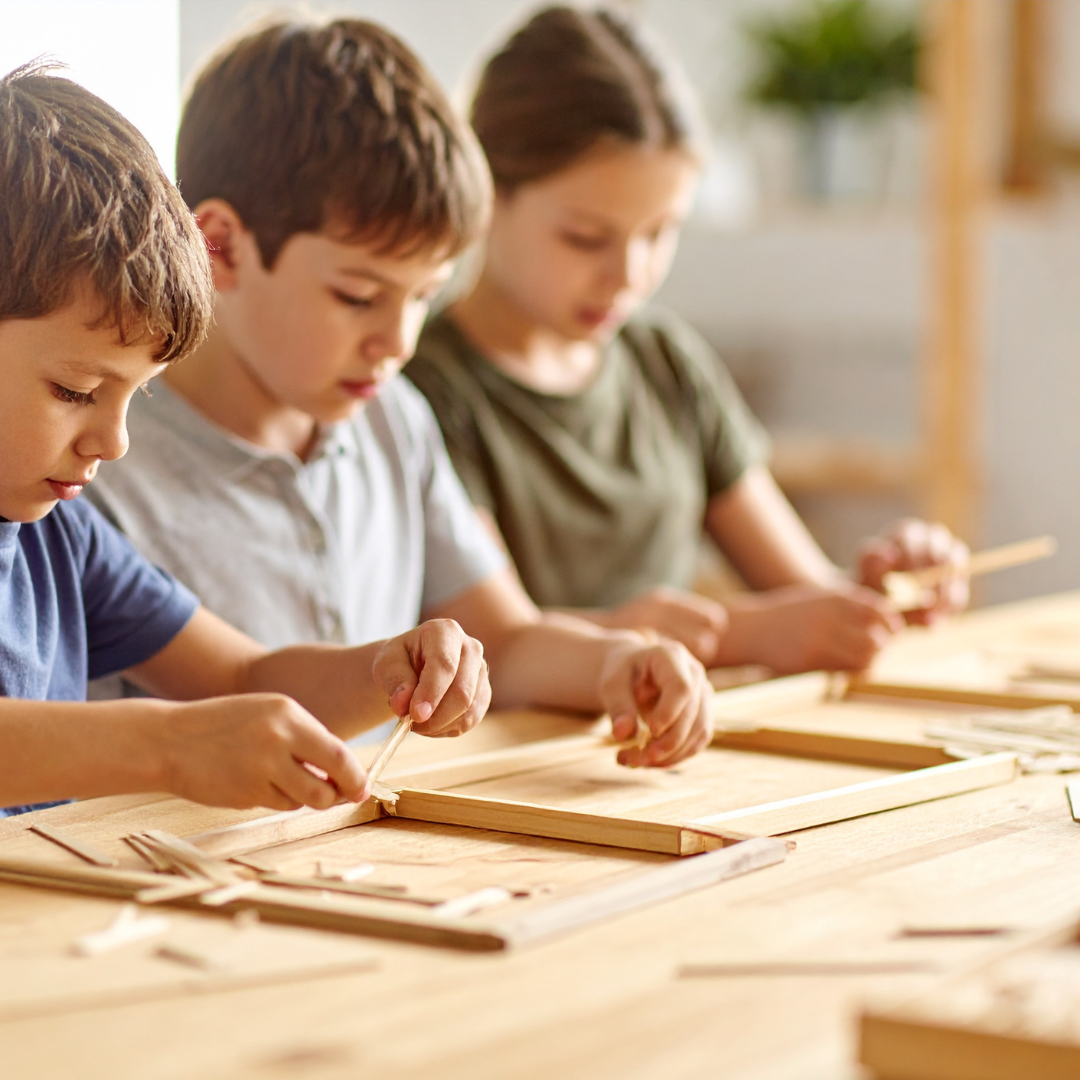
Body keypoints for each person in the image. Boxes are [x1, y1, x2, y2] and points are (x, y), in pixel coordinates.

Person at [85, 20, 713, 770]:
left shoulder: (394, 417)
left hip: (364, 859)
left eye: (422, 298)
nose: (400, 341)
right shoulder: (96, 457)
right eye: (358, 296)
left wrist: (615, 662)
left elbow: (505, 641)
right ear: (218, 245)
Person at [407, 5, 970, 677]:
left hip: (669, 755)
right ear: (486, 194)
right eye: (586, 237)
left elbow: (801, 591)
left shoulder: (663, 361)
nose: (628, 275)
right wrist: (745, 637)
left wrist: (886, 590)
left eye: (659, 232)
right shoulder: (424, 389)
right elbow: (497, 644)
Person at [0, 64, 493, 817]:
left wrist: (384, 671)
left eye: (135, 395)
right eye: (76, 391)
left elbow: (240, 678)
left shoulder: (64, 536)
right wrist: (166, 745)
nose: (115, 441)